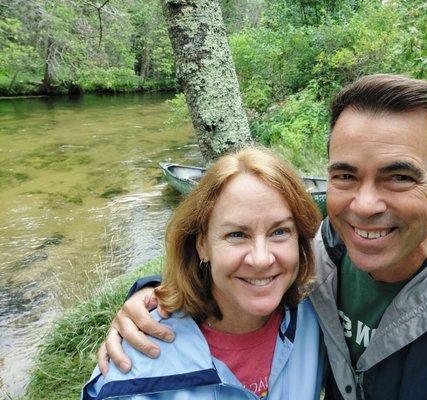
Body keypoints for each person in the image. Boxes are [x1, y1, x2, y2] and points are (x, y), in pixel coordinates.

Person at [98, 75, 427, 399]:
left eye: (398, 177)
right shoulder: (318, 259)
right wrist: (153, 296)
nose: (364, 205)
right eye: (345, 175)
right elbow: (243, 252)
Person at [83, 147, 325, 399]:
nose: (262, 259)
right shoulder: (135, 367)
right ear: (202, 245)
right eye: (237, 235)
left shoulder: (318, 314)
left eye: (279, 231)